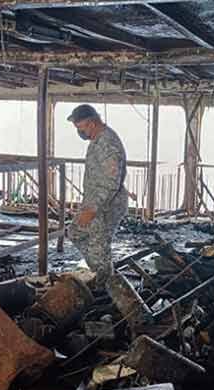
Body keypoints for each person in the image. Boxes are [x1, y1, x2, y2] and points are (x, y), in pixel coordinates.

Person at [67, 104, 128, 294]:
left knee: (98, 249)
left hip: (106, 205)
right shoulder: (97, 140)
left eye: (80, 127)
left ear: (92, 123)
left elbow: (110, 182)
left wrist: (92, 210)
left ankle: (106, 290)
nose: (79, 132)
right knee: (75, 233)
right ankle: (103, 274)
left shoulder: (107, 144)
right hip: (95, 203)